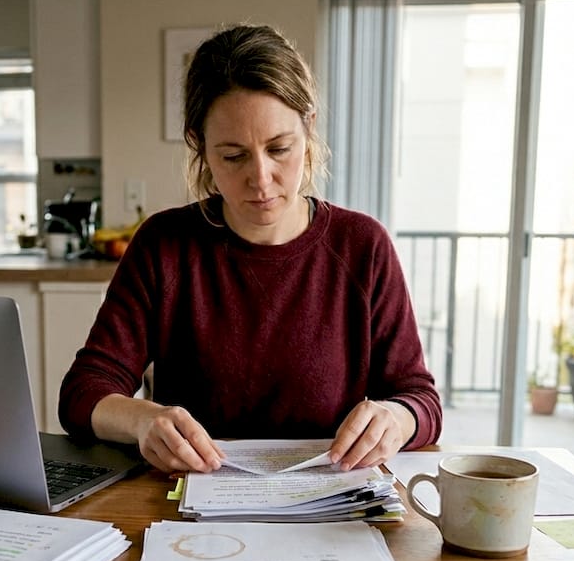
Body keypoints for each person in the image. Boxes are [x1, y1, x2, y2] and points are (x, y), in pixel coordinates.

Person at [59, 23, 441, 474]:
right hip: (194, 509)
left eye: (279, 148)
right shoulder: (163, 245)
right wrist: (143, 419)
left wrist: (397, 418)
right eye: (233, 156)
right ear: (200, 147)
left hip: (329, 508)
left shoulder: (364, 246)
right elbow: (83, 393)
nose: (260, 180)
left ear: (309, 128)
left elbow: (421, 401)